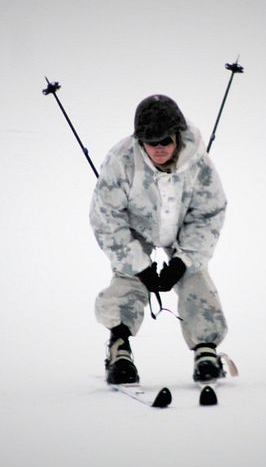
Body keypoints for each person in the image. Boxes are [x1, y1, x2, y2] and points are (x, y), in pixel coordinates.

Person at [90, 94, 228, 385]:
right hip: (135, 225)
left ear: (177, 135)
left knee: (195, 275)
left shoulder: (199, 164)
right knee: (127, 275)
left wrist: (183, 260)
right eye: (151, 143)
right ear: (140, 141)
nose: (159, 148)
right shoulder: (121, 162)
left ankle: (206, 349)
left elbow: (208, 213)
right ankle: (119, 347)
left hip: (182, 223)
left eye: (165, 141)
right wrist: (139, 265)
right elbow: (107, 218)